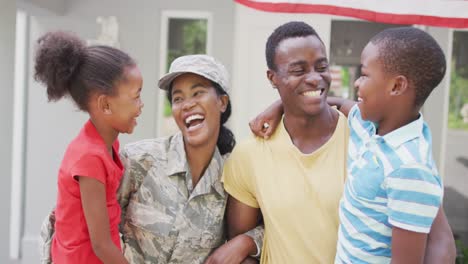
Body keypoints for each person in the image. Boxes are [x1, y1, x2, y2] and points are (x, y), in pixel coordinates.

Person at [224, 21, 456, 264]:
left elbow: (438, 239)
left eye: (322, 66)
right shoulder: (365, 131)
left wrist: (288, 100)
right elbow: (240, 240)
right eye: (298, 70)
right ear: (273, 78)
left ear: (397, 86)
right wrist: (281, 105)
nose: (315, 78)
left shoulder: (386, 146)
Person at [116, 54, 263, 264]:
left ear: (222, 102)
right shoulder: (139, 159)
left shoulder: (232, 175)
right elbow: (78, 219)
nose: (187, 105)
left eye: (198, 93)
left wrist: (245, 243)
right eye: (178, 98)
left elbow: (274, 228)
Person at [328, 27, 449, 264]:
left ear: (396, 86)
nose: (356, 84)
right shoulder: (366, 123)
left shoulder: (410, 167)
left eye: (364, 75)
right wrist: (277, 107)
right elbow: (340, 103)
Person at [35, 31, 143, 264]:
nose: (140, 106)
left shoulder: (107, 143)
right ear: (105, 104)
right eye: (135, 97)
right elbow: (101, 244)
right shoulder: (89, 157)